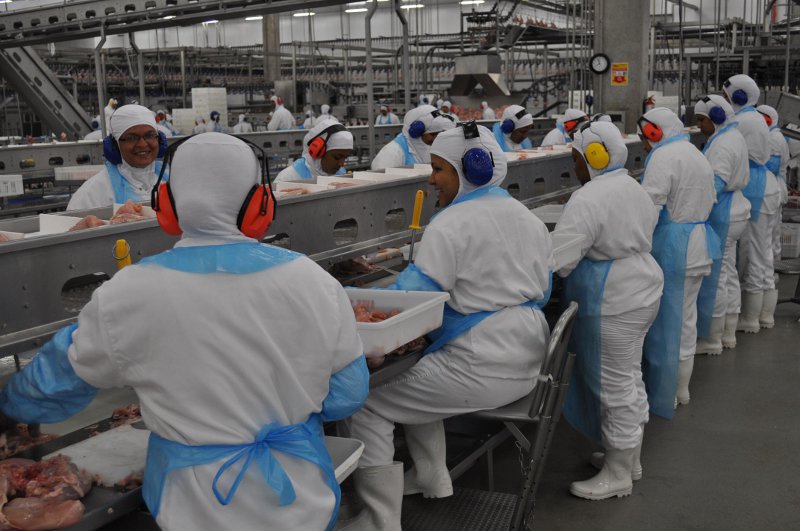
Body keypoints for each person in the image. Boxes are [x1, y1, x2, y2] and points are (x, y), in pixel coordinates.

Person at [0, 132, 369, 531]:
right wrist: (284, 412)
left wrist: (10, 405)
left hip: (193, 508)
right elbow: (347, 393)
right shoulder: (314, 281)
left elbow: (57, 382)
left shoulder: (129, 292)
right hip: (300, 501)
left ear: (166, 203)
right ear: (260, 204)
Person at [344, 123, 552, 529]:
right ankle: (431, 476)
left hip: (483, 366)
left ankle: (377, 520)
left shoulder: (451, 223)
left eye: (438, 168)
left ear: (469, 169)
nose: (432, 179)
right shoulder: (526, 217)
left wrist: (356, 302)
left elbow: (413, 299)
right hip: (526, 358)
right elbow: (542, 291)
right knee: (418, 381)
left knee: (366, 400)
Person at [555, 121, 663, 500]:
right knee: (629, 377)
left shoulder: (588, 198)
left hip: (614, 297)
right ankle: (628, 458)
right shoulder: (633, 186)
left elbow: (562, 260)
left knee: (613, 385)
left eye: (576, 159)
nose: (574, 167)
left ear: (595, 156)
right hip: (642, 287)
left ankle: (617, 474)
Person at [638, 107, 718, 412]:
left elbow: (650, 205)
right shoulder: (695, 153)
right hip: (698, 242)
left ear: (655, 132)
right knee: (686, 320)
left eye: (645, 137)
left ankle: (665, 393)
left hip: (675, 247)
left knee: (668, 324)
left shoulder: (663, 156)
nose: (644, 144)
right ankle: (681, 389)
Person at [722, 75, 782, 334]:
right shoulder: (754, 118)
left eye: (727, 97)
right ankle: (764, 316)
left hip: (756, 190)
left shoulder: (742, 121)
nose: (725, 102)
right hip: (765, 187)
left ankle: (750, 318)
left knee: (754, 257)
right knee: (764, 256)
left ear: (738, 97)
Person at [693, 96, 751, 353]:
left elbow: (716, 182)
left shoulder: (723, 144)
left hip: (723, 212)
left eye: (701, 120)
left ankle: (712, 339)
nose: (699, 126)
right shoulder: (732, 136)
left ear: (716, 116)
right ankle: (727, 333)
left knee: (716, 278)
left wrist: (694, 205)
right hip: (735, 209)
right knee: (728, 274)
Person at [67, 104, 166, 211]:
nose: (142, 144)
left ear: (160, 140)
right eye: (131, 138)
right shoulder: (91, 195)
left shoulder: (173, 179)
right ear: (115, 145)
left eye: (150, 135)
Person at [757, 104, 790, 328]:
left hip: (773, 190)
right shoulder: (774, 136)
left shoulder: (774, 138)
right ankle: (771, 279)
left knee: (769, 243)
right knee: (770, 242)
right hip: (773, 190)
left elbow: (772, 165)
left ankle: (770, 282)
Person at [371, 105, 456, 170]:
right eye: (433, 134)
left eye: (439, 134)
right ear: (416, 132)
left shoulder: (428, 146)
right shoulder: (391, 154)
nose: (436, 138)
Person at [275, 119, 353, 182]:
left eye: (345, 158)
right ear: (318, 151)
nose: (342, 164)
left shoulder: (341, 174)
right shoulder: (288, 178)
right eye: (337, 157)